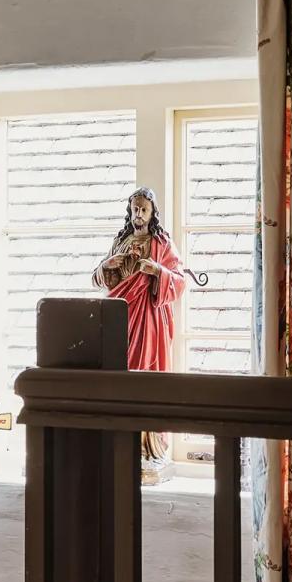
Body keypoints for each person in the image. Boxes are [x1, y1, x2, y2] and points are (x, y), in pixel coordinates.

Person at [92, 187, 186, 478]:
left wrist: (157, 271)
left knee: (146, 374)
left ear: (152, 212)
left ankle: (150, 447)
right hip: (120, 316)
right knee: (120, 375)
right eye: (135, 209)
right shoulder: (121, 240)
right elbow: (100, 280)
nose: (139, 214)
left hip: (149, 319)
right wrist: (107, 266)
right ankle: (121, 442)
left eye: (144, 209)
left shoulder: (162, 243)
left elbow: (179, 281)